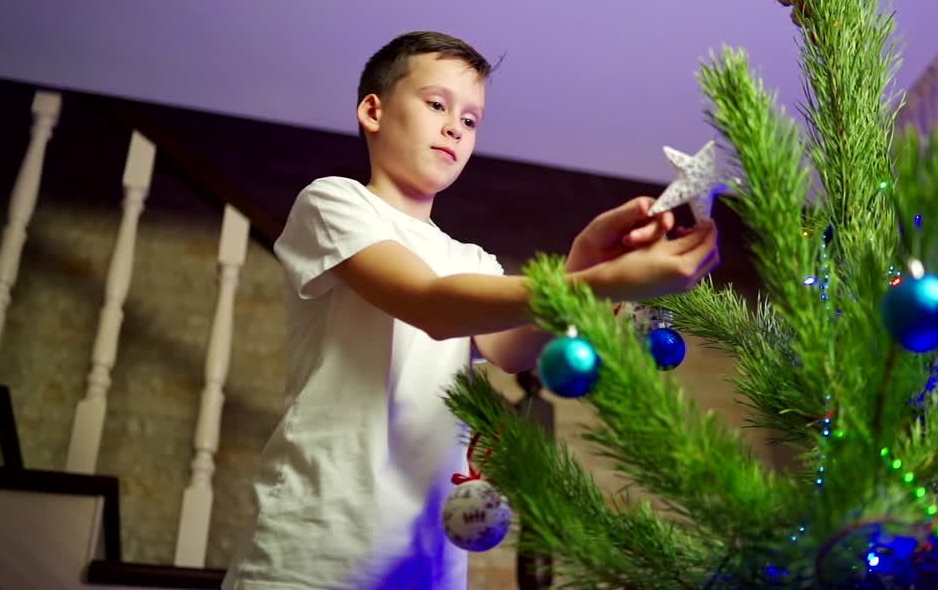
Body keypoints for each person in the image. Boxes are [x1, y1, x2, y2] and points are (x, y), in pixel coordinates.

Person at [222, 31, 719, 590]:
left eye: (472, 120)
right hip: (313, 551)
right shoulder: (335, 202)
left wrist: (586, 262)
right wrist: (596, 280)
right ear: (373, 111)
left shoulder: (470, 259)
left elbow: (513, 348)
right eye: (437, 104)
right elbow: (431, 305)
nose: (456, 126)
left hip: (429, 565)